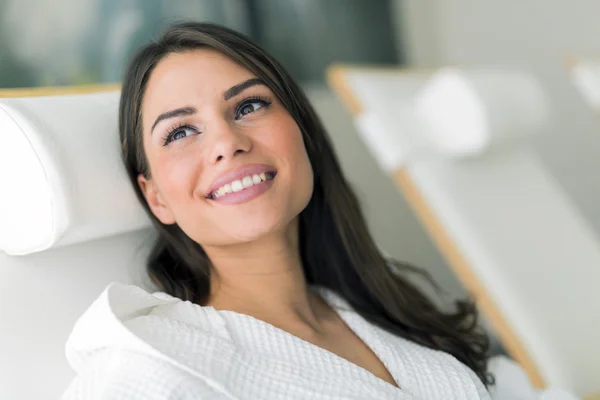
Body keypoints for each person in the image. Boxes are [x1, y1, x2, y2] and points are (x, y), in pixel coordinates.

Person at [62, 21, 492, 399]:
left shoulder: (384, 311)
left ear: (301, 133)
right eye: (180, 132)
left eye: (248, 106)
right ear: (156, 197)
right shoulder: (149, 368)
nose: (226, 142)